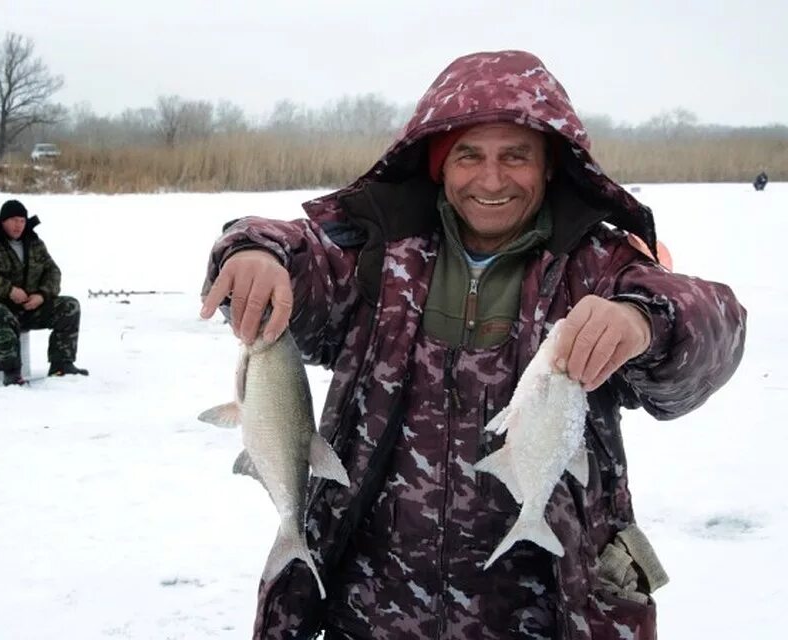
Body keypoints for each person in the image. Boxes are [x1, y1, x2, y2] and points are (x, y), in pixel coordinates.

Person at [200, 51, 746, 639]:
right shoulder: (377, 255)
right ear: (438, 164)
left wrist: (644, 322)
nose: (491, 180)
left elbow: (716, 326)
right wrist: (254, 251)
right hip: (370, 614)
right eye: (469, 155)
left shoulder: (600, 264)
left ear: (551, 167)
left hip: (548, 617)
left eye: (515, 156)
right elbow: (293, 246)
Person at [0, 199, 88, 386]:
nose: (18, 225)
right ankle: (12, 372)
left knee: (69, 306)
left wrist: (42, 295)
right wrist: (8, 290)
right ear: (3, 221)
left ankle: (62, 364)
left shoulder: (34, 243)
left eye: (22, 220)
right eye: (13, 220)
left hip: (28, 307)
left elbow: (53, 272)